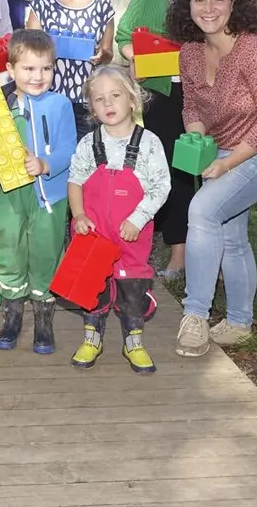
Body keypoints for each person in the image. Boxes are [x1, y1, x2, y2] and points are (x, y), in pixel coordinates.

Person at [168, 0, 257, 358]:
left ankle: (195, 316)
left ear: (234, 2)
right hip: (221, 149)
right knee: (231, 235)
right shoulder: (189, 52)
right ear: (187, 5)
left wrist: (226, 164)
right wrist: (196, 133)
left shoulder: (256, 49)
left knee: (203, 211)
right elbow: (193, 104)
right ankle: (239, 321)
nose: (209, 8)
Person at [0, 29, 78, 355]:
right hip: (8, 196)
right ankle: (12, 317)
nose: (38, 76)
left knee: (46, 255)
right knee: (10, 254)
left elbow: (69, 150)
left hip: (49, 197)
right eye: (29, 69)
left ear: (54, 69)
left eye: (46, 68)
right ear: (11, 70)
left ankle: (44, 321)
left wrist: (46, 165)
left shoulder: (61, 104)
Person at [66, 66, 170, 373]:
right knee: (91, 287)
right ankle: (91, 337)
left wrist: (138, 218)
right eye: (99, 99)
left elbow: (161, 186)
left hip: (131, 234)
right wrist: (79, 214)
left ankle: (133, 341)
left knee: (131, 287)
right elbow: (75, 181)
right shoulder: (88, 143)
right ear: (92, 108)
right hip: (94, 232)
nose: (108, 104)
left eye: (115, 96)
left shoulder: (149, 142)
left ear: (132, 100)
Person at [115, 0, 199, 280]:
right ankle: (178, 252)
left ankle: (219, 250)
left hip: (209, 92)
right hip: (163, 94)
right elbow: (123, 38)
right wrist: (141, 57)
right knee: (173, 171)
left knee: (214, 170)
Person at [25, 0, 116, 135]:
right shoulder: (41, 5)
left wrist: (102, 55)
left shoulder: (103, 7)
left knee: (86, 162)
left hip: (89, 103)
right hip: (47, 99)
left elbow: (108, 54)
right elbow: (28, 54)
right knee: (49, 161)